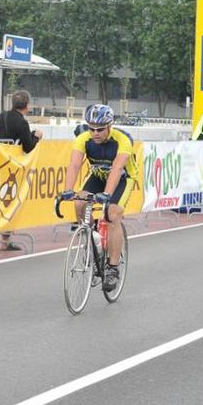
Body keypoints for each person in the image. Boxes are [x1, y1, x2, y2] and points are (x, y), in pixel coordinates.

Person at [59, 104, 137, 293]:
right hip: (97, 176)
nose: (95, 133)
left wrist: (107, 195)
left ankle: (113, 267)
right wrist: (68, 190)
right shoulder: (83, 139)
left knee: (112, 214)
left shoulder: (122, 140)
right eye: (91, 128)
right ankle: (92, 242)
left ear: (109, 126)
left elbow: (117, 169)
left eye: (100, 129)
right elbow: (75, 165)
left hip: (122, 179)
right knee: (79, 202)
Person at [0, 89, 42, 251]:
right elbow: (28, 147)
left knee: (3, 200)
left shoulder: (2, 116)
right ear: (27, 105)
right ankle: (5, 239)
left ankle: (4, 236)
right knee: (12, 200)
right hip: (14, 167)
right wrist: (36, 137)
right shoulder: (22, 123)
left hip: (0, 162)